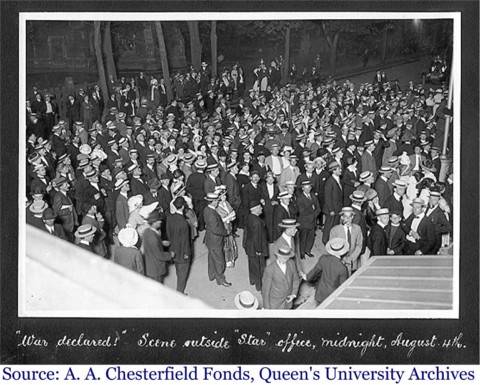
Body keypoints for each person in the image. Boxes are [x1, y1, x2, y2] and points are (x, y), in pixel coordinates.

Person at [300, 237, 349, 305]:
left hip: (320, 294)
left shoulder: (323, 258)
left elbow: (314, 272)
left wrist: (306, 277)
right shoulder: (342, 268)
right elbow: (343, 287)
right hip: (332, 297)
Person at [203, 192, 231, 286]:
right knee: (220, 261)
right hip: (215, 240)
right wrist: (225, 232)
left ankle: (211, 275)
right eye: (217, 200)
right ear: (213, 202)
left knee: (212, 257)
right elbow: (216, 229)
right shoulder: (212, 213)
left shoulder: (207, 209)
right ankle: (221, 279)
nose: (218, 202)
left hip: (210, 239)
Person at [166, 197, 192, 293]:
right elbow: (186, 242)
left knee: (178, 270)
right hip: (182, 253)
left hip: (173, 249)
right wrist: (187, 254)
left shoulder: (169, 218)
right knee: (182, 275)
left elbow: (168, 234)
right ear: (183, 207)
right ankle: (179, 293)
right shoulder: (184, 223)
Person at [243, 201, 269, 291]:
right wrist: (259, 250)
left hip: (249, 246)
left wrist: (245, 244)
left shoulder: (249, 217)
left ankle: (252, 280)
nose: (261, 208)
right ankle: (260, 286)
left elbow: (246, 232)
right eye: (260, 207)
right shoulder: (258, 222)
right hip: (257, 248)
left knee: (252, 265)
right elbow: (257, 238)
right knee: (260, 267)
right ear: (255, 209)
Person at [329, 207, 363, 275]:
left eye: (350, 216)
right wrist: (342, 258)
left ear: (353, 217)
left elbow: (359, 245)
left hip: (353, 262)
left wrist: (351, 258)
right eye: (345, 216)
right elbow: (331, 247)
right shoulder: (334, 230)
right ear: (342, 217)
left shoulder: (357, 228)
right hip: (339, 262)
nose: (348, 219)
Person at [142, 210, 171, 284]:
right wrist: (170, 255)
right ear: (154, 223)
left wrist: (161, 243)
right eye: (159, 221)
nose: (160, 222)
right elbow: (160, 255)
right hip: (155, 269)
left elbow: (151, 245)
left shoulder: (147, 231)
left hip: (149, 264)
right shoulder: (153, 239)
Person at [297, 180, 321, 258]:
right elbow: (302, 211)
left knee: (311, 237)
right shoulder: (300, 198)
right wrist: (313, 214)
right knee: (303, 238)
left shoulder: (313, 196)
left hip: (312, 221)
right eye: (306, 188)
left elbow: (318, 208)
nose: (308, 189)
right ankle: (302, 253)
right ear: (302, 189)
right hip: (304, 222)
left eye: (309, 187)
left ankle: (308, 250)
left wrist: (314, 215)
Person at [215, 185, 237, 267]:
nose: (225, 197)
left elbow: (233, 213)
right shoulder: (217, 207)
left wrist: (230, 217)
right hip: (223, 228)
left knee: (230, 242)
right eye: (223, 195)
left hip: (229, 226)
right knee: (225, 244)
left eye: (225, 195)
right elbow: (220, 219)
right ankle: (226, 260)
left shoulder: (226, 203)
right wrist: (229, 216)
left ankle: (231, 258)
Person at [322, 161, 343, 244]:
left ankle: (332, 240)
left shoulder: (338, 180)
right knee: (328, 226)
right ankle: (325, 240)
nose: (340, 170)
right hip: (332, 210)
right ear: (334, 171)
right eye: (339, 169)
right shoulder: (330, 182)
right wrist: (331, 210)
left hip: (337, 208)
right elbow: (327, 197)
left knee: (335, 226)